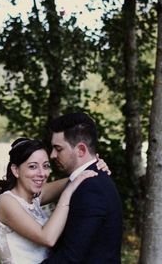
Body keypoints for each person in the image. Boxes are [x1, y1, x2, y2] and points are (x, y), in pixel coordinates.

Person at [0, 137, 98, 264]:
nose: (42, 173)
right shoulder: (6, 202)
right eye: (33, 166)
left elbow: (75, 178)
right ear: (16, 170)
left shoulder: (34, 198)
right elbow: (48, 238)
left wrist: (95, 167)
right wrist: (67, 194)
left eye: (45, 166)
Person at [41, 112, 123, 263]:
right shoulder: (86, 181)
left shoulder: (91, 189)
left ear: (81, 150)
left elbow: (71, 256)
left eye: (58, 149)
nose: (52, 155)